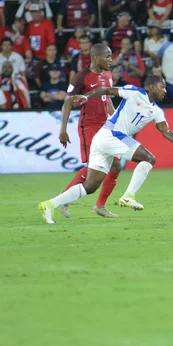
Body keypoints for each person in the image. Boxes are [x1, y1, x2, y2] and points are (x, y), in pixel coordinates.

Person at [39, 76, 173, 224]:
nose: (165, 91)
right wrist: (87, 96)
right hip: (111, 134)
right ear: (152, 87)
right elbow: (106, 90)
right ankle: (128, 196)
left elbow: (165, 131)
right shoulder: (134, 92)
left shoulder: (156, 111)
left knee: (90, 186)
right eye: (163, 87)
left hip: (104, 139)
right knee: (149, 158)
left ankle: (49, 204)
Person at [57, 44, 120, 219]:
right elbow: (67, 102)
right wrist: (63, 129)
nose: (110, 59)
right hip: (89, 127)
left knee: (115, 165)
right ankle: (64, 198)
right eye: (107, 56)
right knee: (94, 168)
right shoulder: (81, 77)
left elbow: (106, 101)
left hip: (105, 126)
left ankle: (100, 205)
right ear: (96, 58)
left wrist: (116, 121)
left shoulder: (107, 76)